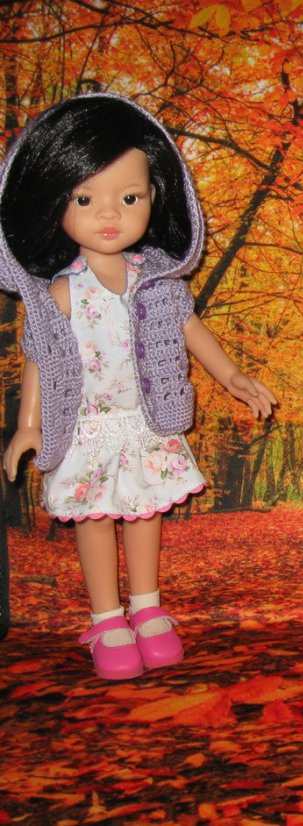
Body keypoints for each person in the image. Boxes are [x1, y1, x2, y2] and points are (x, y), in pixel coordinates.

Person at [0, 94, 277, 679]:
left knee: (145, 512)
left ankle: (148, 609)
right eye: (85, 199)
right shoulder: (61, 292)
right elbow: (41, 358)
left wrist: (233, 376)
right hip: (86, 427)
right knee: (95, 519)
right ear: (56, 204)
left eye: (130, 198)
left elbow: (191, 331)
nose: (110, 214)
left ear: (155, 197)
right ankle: (107, 617)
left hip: (146, 422)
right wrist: (28, 425)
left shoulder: (157, 282)